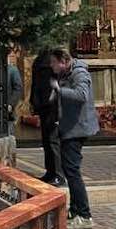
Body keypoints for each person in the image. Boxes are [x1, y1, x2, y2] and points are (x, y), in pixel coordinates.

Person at [49, 47, 99, 229]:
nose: (52, 66)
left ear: (64, 61)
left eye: (54, 62)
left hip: (77, 129)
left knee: (72, 171)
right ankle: (75, 210)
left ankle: (84, 215)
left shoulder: (79, 73)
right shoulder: (66, 73)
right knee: (69, 170)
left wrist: (59, 90)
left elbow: (82, 95)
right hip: (68, 126)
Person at [30, 48, 65, 187]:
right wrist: (34, 100)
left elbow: (57, 85)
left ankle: (58, 174)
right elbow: (35, 83)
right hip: (43, 104)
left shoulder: (51, 61)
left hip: (52, 106)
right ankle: (50, 171)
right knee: (46, 141)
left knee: (53, 141)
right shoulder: (39, 60)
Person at [7, 52, 23, 137]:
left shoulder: (12, 70)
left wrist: (11, 103)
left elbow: (18, 88)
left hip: (8, 110)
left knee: (9, 134)